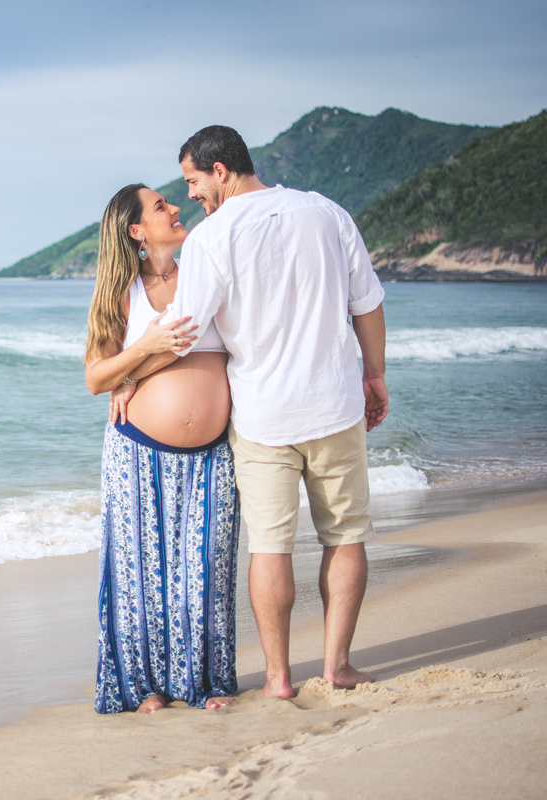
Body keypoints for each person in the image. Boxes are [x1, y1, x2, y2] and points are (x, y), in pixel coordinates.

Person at [165, 125, 388, 698]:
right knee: (345, 536)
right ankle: (337, 666)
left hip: (263, 417)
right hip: (335, 405)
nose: (190, 193)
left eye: (192, 180)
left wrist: (130, 371)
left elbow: (184, 333)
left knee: (270, 545)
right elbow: (367, 304)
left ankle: (279, 679)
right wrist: (374, 374)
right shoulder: (327, 212)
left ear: (220, 171)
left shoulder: (211, 239)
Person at [85, 183, 241, 714]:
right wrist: (144, 348)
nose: (175, 208)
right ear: (136, 231)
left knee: (207, 570)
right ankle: (143, 687)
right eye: (160, 207)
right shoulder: (119, 292)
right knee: (139, 577)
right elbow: (94, 378)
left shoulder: (207, 274)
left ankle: (205, 684)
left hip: (213, 453)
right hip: (136, 451)